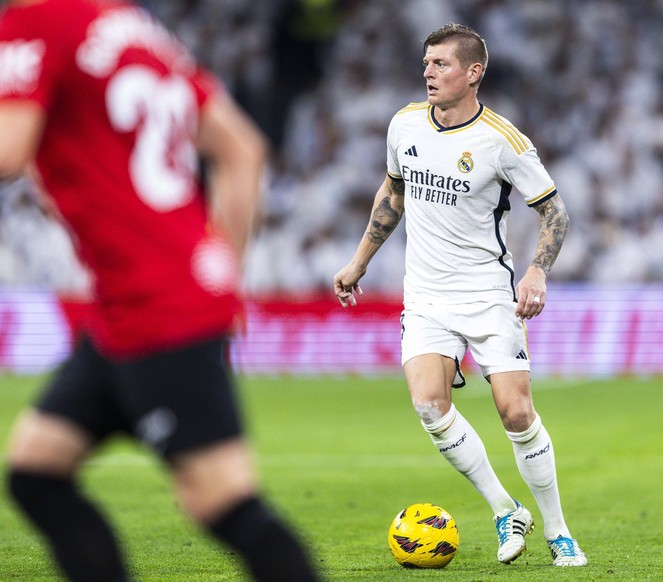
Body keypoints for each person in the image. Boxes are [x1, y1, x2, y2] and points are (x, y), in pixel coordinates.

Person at [0, 1, 318, 580]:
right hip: (139, 304)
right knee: (36, 471)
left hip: (156, 306)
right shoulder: (133, 27)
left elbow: (7, 151)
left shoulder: (35, 25)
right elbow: (242, 148)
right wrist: (218, 270)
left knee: (223, 502)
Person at [334, 22, 587, 567]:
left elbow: (555, 212)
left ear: (474, 73)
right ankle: (504, 508)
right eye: (426, 63)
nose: (429, 72)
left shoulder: (503, 141)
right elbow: (393, 191)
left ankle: (559, 530)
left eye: (442, 64)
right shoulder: (404, 125)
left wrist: (538, 272)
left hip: (489, 293)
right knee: (429, 403)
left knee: (515, 412)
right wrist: (358, 262)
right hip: (425, 294)